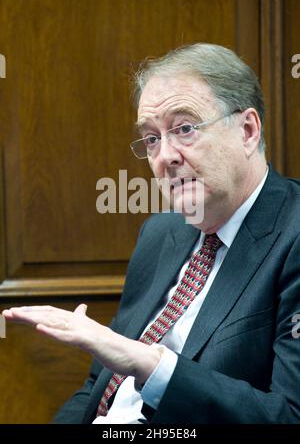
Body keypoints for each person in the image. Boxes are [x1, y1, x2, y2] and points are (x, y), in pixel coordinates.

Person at [2, 43, 300, 424]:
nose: (165, 157)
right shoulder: (160, 233)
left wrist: (151, 364)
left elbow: (289, 416)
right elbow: (100, 387)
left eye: (185, 128)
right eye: (152, 138)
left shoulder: (293, 232)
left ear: (247, 130)